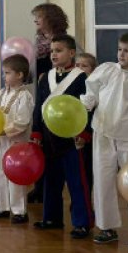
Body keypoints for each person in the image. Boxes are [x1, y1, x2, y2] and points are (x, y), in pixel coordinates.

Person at [82, 30, 128, 246]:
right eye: (120, 49)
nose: (121, 54)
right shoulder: (106, 69)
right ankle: (107, 227)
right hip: (103, 132)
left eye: (127, 51)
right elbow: (91, 93)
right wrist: (84, 106)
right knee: (102, 180)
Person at [32, 34, 92, 238]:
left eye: (59, 50)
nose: (54, 55)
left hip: (72, 138)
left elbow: (88, 108)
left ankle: (82, 222)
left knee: (77, 181)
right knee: (51, 179)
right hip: (49, 137)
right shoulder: (45, 78)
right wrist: (36, 131)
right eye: (52, 51)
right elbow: (39, 106)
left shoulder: (81, 78)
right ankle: (51, 217)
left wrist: (85, 132)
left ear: (72, 53)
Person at [0, 53, 34, 222]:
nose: (4, 76)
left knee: (15, 173)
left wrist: (4, 131)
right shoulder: (1, 93)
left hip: (15, 142)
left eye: (7, 73)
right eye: (4, 73)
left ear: (20, 74)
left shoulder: (25, 96)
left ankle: (19, 210)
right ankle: (1, 206)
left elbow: (23, 121)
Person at [31, 2, 69, 78]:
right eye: (35, 17)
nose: (35, 20)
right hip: (39, 84)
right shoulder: (37, 43)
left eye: (39, 17)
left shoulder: (67, 41)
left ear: (51, 18)